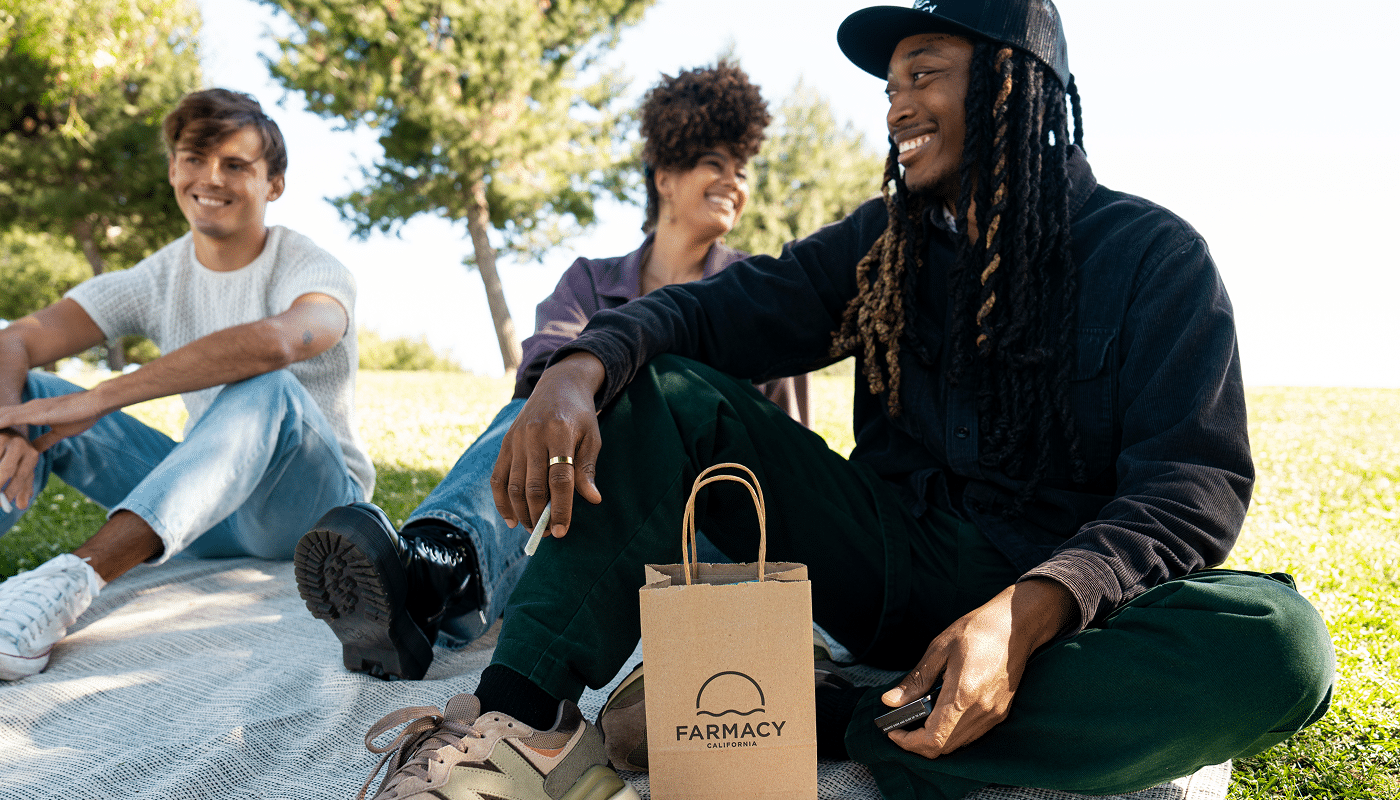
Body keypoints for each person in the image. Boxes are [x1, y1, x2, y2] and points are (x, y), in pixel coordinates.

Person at [349, 2, 1336, 799]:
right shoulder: (884, 241)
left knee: (1278, 646)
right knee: (670, 388)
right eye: (891, 83)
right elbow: (721, 311)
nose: (896, 104)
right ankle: (522, 724)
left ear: (1009, 79)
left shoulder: (1152, 257)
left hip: (1057, 609)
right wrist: (580, 365)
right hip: (885, 563)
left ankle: (836, 712)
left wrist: (1032, 607)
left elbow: (1190, 485)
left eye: (923, 71)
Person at [294, 61, 810, 683]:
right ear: (666, 176)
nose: (734, 181)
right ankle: (432, 566)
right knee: (541, 412)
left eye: (742, 169)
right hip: (580, 498)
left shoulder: (756, 290)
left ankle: (438, 583)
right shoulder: (591, 280)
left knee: (609, 423)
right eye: (715, 164)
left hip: (704, 528)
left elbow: (788, 450)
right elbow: (541, 373)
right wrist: (579, 393)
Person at [0, 89, 372, 682]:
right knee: (32, 392)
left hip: (312, 512)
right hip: (208, 507)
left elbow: (282, 341)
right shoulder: (160, 275)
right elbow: (17, 337)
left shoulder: (311, 265)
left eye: (235, 165)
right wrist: (10, 417)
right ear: (174, 168)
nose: (210, 178)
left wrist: (102, 397)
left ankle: (70, 581)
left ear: (273, 183)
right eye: (193, 159)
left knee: (266, 385)